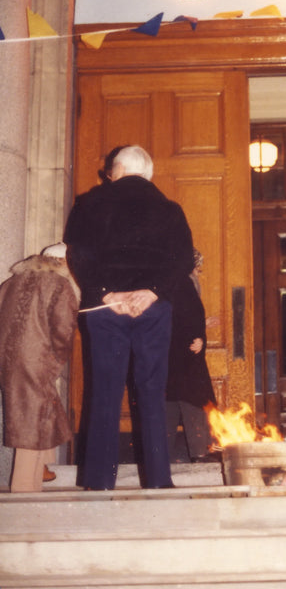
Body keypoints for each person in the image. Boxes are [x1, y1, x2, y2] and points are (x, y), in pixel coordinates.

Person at [64, 145, 195, 490]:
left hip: (104, 309)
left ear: (116, 170)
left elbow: (78, 254)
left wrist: (107, 292)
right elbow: (183, 260)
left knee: (104, 392)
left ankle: (97, 483)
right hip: (152, 309)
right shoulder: (170, 210)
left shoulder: (89, 203)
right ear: (148, 174)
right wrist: (151, 291)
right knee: (152, 392)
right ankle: (158, 481)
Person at [0, 242, 80, 492]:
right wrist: (57, 360)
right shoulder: (60, 285)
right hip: (38, 359)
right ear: (63, 263)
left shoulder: (10, 283)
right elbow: (64, 330)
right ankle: (24, 488)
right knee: (31, 420)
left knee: (39, 412)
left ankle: (43, 467)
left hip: (9, 358)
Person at [166, 249, 219, 463]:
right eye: (197, 266)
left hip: (171, 353)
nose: (199, 272)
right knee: (193, 402)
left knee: (170, 401)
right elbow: (186, 316)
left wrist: (199, 330)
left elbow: (179, 318)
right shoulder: (184, 283)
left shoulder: (170, 283)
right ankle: (200, 452)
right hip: (184, 354)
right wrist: (197, 336)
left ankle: (161, 455)